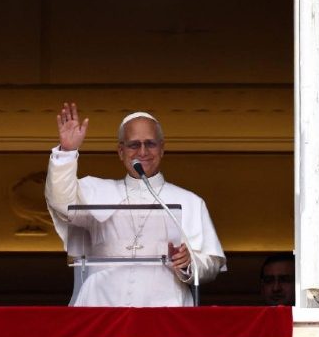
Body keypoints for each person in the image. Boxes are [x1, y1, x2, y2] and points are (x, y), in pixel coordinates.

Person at [45, 102, 226, 306]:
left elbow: (212, 262)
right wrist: (67, 152)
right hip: (101, 303)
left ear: (162, 149)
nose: (143, 151)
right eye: (134, 145)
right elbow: (61, 202)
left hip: (165, 307)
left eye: (150, 143)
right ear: (121, 151)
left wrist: (188, 263)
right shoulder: (96, 191)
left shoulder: (189, 201)